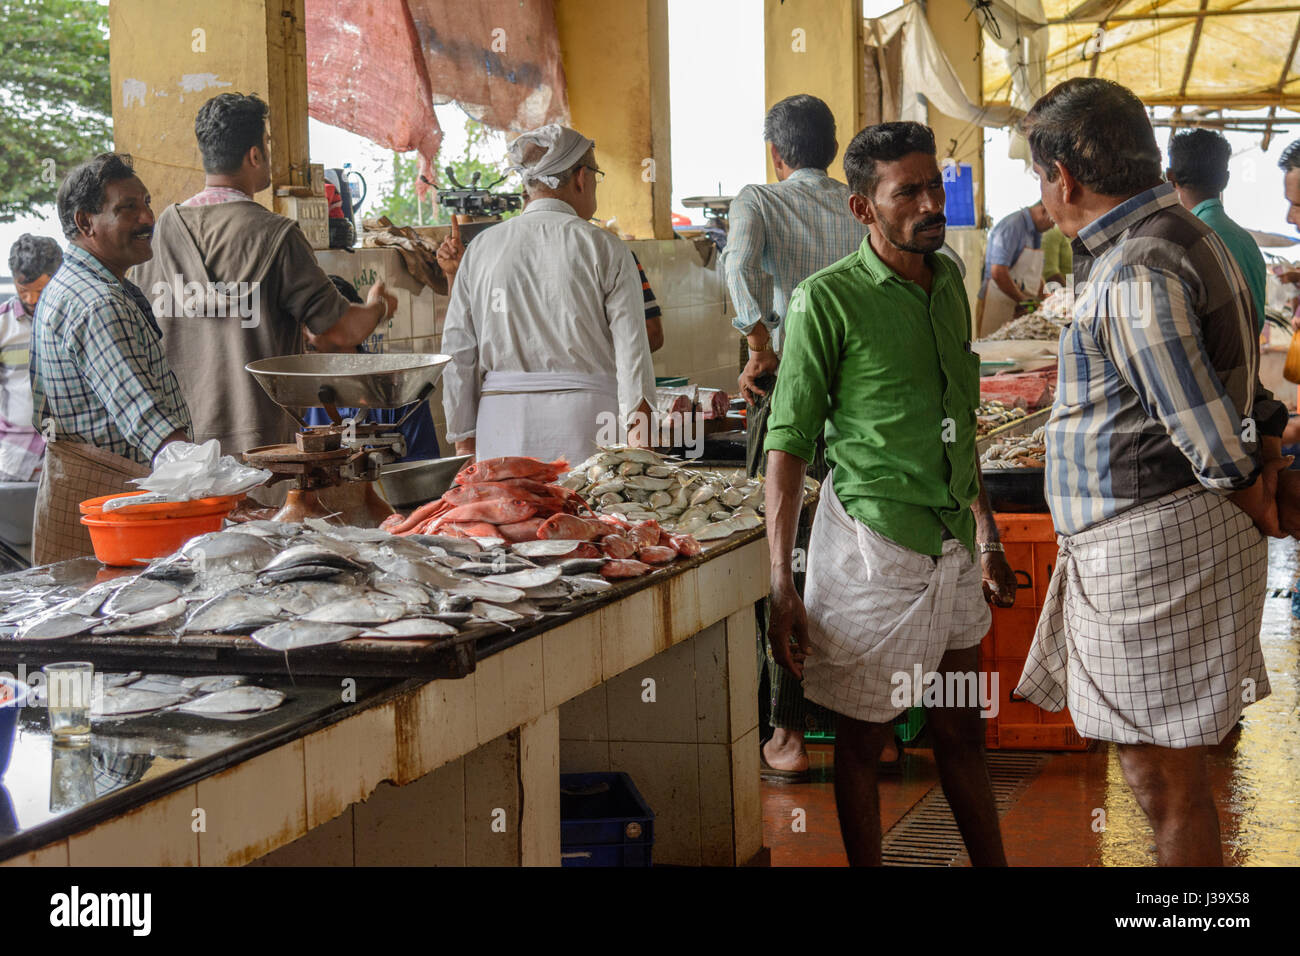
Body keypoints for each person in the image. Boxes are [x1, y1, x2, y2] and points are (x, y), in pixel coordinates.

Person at [1014, 78, 1289, 866]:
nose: (1046, 194)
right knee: (1168, 773)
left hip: (1154, 541)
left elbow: (1204, 427)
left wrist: (1257, 491)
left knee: (1162, 781)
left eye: (1042, 178)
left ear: (1064, 177)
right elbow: (1234, 382)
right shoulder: (1181, 233)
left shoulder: (1134, 266)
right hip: (1160, 536)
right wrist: (1264, 455)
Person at [764, 121, 1017, 866]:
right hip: (875, 549)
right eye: (908, 191)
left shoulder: (947, 284)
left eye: (935, 185)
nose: (931, 203)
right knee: (862, 739)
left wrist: (988, 536)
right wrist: (782, 581)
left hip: (951, 545)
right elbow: (787, 445)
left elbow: (958, 421)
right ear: (862, 209)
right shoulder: (826, 301)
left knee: (961, 730)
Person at [723, 94, 869, 781]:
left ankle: (787, 732)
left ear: (777, 153)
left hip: (789, 394)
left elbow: (737, 268)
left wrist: (759, 343)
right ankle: (873, 731)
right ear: (832, 149)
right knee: (860, 552)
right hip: (863, 402)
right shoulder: (861, 203)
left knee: (786, 557)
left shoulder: (758, 198)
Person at [135, 93, 396, 458]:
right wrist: (379, 307)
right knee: (263, 519)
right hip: (262, 447)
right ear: (254, 155)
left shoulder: (157, 237)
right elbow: (341, 331)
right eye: (268, 144)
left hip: (179, 451)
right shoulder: (277, 234)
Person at [440, 124, 656, 467]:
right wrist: (641, 448)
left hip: (500, 428)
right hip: (588, 428)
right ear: (582, 178)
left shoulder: (481, 248)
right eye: (597, 175)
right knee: (585, 518)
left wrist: (463, 440)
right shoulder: (605, 248)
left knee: (510, 518)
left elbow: (457, 353)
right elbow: (634, 357)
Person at [30, 153, 193, 564]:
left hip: (99, 497)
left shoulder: (72, 283)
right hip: (111, 509)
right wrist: (203, 479)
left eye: (146, 202)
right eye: (127, 209)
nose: (147, 218)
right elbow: (144, 416)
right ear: (86, 223)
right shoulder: (96, 302)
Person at [439, 217, 665, 352]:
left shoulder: (607, 251)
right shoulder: (506, 258)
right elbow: (469, 329)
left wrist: (585, 359)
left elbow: (653, 334)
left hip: (600, 395)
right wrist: (457, 275)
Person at [1167, 128, 1268, 333]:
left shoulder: (1185, 243)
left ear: (1170, 177)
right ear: (1225, 179)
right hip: (1247, 361)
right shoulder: (1246, 242)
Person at [0, 235, 61, 482]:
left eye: (40, 290)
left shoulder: (71, 320)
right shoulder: (3, 325)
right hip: (13, 456)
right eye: (23, 290)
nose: (31, 300)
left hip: (65, 452)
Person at [978, 201, 1055, 337]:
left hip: (1018, 305)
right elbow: (998, 272)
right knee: (994, 350)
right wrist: (1024, 301)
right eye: (1053, 221)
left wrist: (1047, 299)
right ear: (1044, 210)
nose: (1053, 226)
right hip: (997, 303)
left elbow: (1033, 272)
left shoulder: (1036, 232)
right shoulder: (1012, 226)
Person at [1040, 224, 1072, 289]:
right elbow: (1050, 273)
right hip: (1062, 295)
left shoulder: (1081, 233)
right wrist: (1074, 295)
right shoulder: (1053, 232)